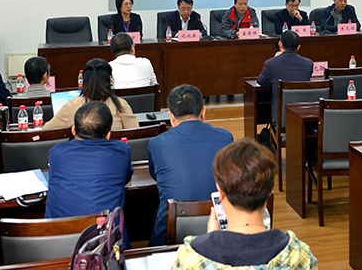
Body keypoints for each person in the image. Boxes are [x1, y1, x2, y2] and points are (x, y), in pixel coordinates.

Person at [173, 139, 317, 269]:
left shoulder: (192, 258)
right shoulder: (298, 255)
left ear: (220, 192)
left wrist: (211, 239)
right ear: (269, 192)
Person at [147, 84, 233, 246]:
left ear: (171, 116)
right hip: (220, 226)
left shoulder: (156, 144)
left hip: (170, 233)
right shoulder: (225, 138)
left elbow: (155, 176)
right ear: (203, 112)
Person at [45, 101, 133, 245]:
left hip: (57, 243)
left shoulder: (56, 153)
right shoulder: (121, 152)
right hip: (106, 243)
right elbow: (126, 177)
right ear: (108, 135)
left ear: (73, 130)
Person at [44, 58, 138, 130]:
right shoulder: (120, 105)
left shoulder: (71, 105)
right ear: (110, 79)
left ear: (84, 80)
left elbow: (47, 129)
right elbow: (135, 134)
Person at [256, 31, 314, 121]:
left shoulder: (271, 63)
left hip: (281, 120)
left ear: (280, 44)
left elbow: (261, 81)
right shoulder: (308, 64)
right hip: (304, 119)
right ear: (298, 47)